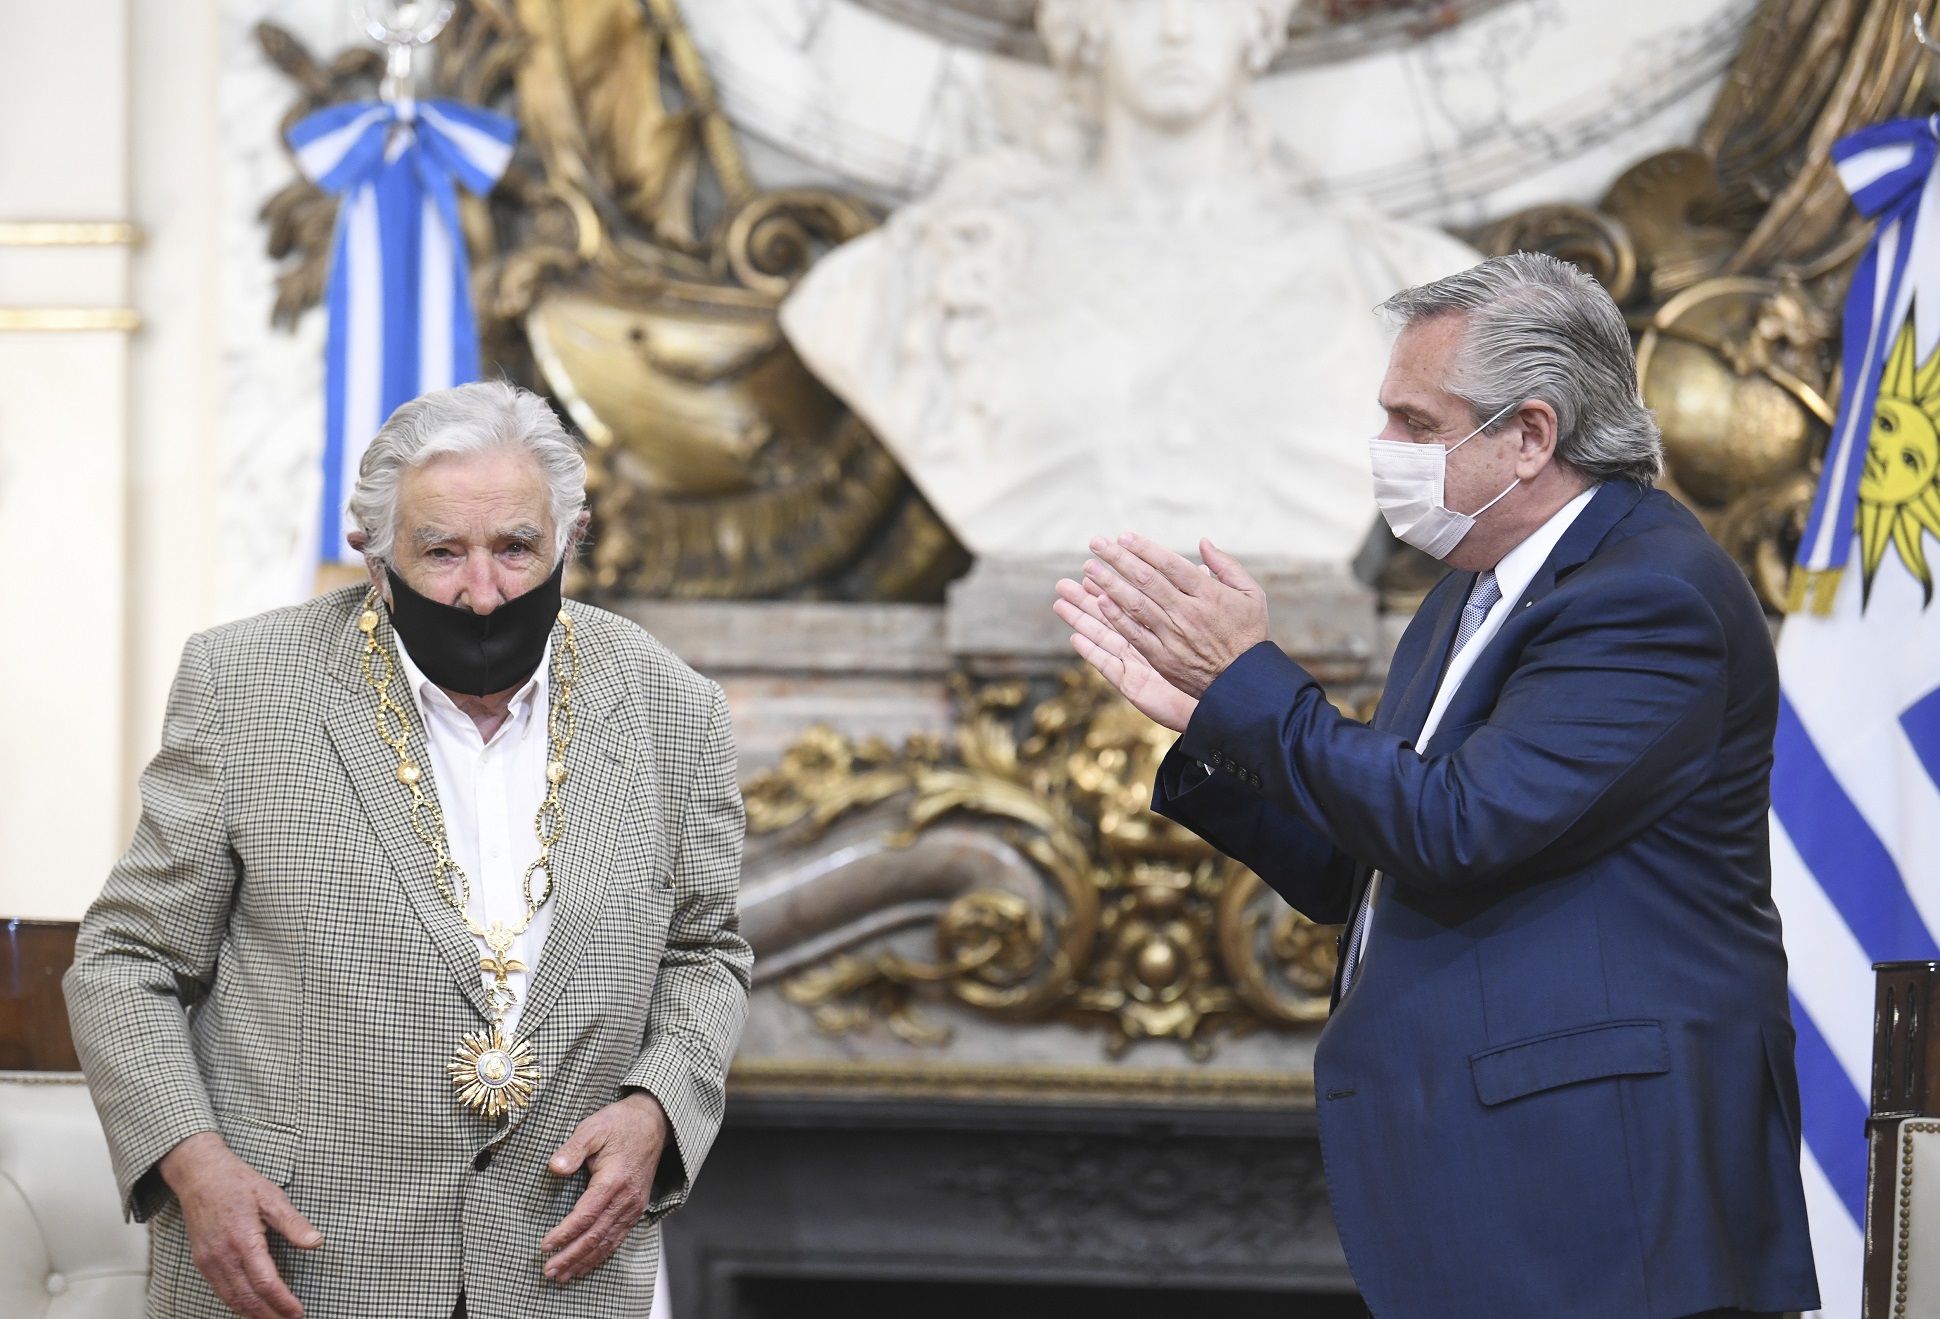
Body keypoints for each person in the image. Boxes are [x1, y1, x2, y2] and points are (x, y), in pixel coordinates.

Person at [1052, 253, 1820, 1318]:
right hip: (1504, 1188)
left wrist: (1252, 685)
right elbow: (1362, 859)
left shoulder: (1649, 594)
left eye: (1416, 424)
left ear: (1529, 435)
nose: (1384, 451)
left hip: (1603, 1206)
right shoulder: (1473, 589)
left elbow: (1460, 824)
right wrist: (1208, 719)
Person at [65, 381, 751, 1319]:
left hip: (562, 1273)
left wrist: (657, 1111)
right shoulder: (244, 686)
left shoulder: (675, 705)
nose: (483, 591)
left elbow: (706, 952)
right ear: (375, 558)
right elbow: (124, 960)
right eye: (441, 552)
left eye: (517, 548)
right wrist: (191, 1160)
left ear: (571, 538)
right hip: (299, 1264)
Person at [780, 0, 1477, 565]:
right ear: (1084, 23)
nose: (1175, 26)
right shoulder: (936, 269)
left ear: (1259, 20)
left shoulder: (1395, 277)